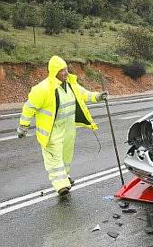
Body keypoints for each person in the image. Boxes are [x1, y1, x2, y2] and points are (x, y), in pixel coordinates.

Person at [17, 56, 108, 196]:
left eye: (66, 69)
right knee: (54, 158)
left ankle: (65, 177)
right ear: (54, 72)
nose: (65, 73)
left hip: (69, 129)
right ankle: (61, 185)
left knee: (66, 157)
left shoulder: (71, 84)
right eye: (61, 70)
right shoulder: (42, 89)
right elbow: (29, 108)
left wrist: (98, 96)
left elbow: (84, 94)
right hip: (51, 131)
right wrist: (23, 126)